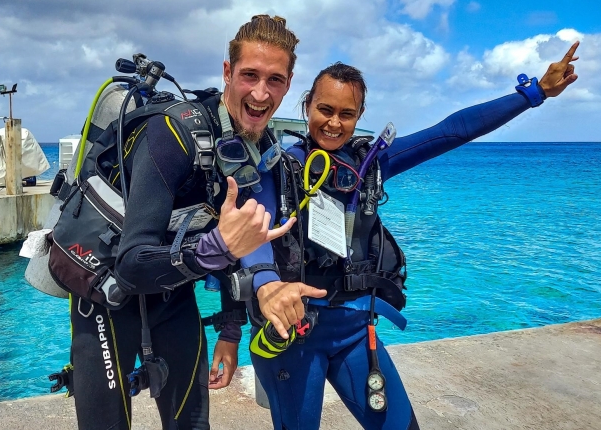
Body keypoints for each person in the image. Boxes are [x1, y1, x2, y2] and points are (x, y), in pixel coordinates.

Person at [239, 43, 580, 429]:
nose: (334, 123)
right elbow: (254, 233)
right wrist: (267, 284)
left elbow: (451, 132)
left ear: (360, 116)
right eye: (325, 110)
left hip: (355, 331)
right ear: (307, 107)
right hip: (295, 335)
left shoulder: (370, 164)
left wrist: (533, 94)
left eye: (347, 114)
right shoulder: (278, 170)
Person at [68, 15, 300, 430]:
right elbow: (132, 263)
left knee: (192, 425)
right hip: (103, 295)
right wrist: (216, 248)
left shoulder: (255, 148)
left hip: (172, 294)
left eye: (276, 80)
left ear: (289, 82)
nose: (261, 93)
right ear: (227, 72)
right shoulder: (172, 135)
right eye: (249, 75)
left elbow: (236, 244)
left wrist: (230, 332)